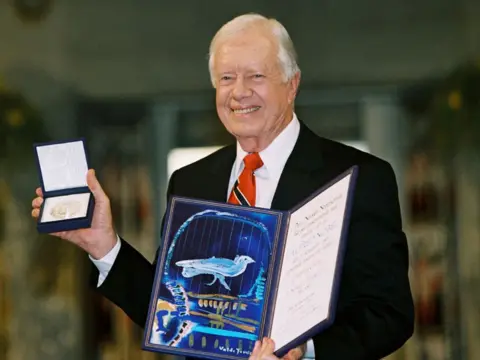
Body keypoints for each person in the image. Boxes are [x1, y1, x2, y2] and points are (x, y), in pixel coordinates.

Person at [31, 13, 414, 360]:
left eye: (257, 76)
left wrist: (306, 351)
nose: (240, 91)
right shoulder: (192, 180)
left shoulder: (359, 176)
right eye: (227, 78)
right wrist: (104, 245)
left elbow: (388, 315)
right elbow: (173, 304)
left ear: (292, 84)